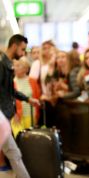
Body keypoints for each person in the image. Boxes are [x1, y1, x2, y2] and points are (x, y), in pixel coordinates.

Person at [0, 34, 39, 178]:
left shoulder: (7, 64)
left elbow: (10, 91)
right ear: (14, 46)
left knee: (14, 153)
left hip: (3, 117)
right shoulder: (2, 65)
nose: (23, 54)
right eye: (22, 50)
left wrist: (28, 99)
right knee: (14, 153)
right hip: (1, 118)